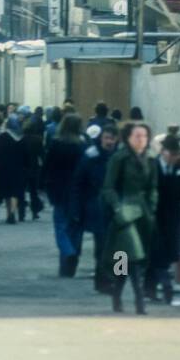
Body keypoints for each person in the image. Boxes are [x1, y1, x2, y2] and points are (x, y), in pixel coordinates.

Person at [101, 121, 157, 314]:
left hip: (144, 214)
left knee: (125, 257)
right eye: (137, 136)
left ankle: (116, 295)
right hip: (125, 212)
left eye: (144, 136)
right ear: (128, 138)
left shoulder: (150, 158)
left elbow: (153, 187)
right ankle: (139, 301)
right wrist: (117, 207)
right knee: (130, 255)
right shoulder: (119, 158)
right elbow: (108, 187)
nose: (141, 140)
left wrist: (153, 205)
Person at [69, 121, 119, 291]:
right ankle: (103, 280)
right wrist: (77, 209)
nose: (109, 142)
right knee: (103, 246)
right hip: (98, 208)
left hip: (119, 209)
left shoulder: (120, 157)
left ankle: (119, 278)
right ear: (101, 138)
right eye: (106, 138)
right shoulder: (91, 156)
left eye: (112, 138)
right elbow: (78, 183)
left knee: (122, 247)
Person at [147, 134, 180, 303]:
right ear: (162, 152)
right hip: (153, 216)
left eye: (177, 154)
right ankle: (166, 284)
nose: (174, 158)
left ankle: (149, 288)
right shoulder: (151, 167)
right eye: (171, 154)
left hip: (172, 216)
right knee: (156, 250)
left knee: (168, 252)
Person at [42, 112, 86, 275]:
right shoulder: (82, 146)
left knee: (61, 226)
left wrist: (44, 186)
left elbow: (47, 167)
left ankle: (67, 254)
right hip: (77, 192)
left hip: (58, 190)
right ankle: (69, 266)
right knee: (75, 227)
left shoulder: (56, 144)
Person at [0, 114, 27, 223]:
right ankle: (13, 211)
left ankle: (9, 213)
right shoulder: (22, 137)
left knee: (7, 192)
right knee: (15, 192)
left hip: (5, 168)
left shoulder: (2, 137)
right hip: (19, 168)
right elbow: (26, 154)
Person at [20, 109, 45, 220]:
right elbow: (42, 155)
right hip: (34, 167)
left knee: (21, 191)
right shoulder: (38, 140)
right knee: (33, 191)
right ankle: (35, 212)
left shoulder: (20, 140)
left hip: (22, 167)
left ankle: (22, 213)